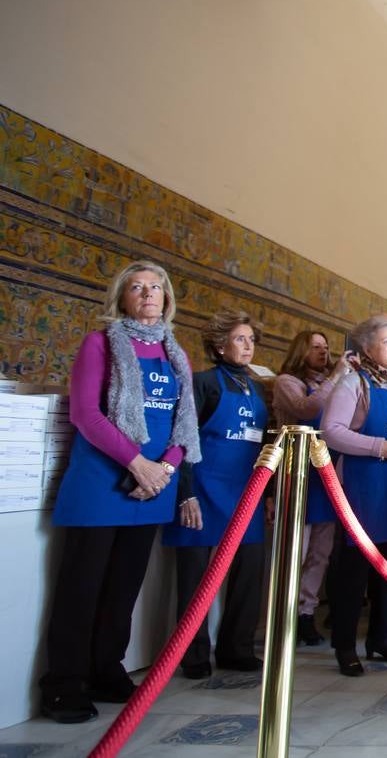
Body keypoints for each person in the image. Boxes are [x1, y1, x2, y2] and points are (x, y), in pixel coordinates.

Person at [40, 261, 200, 723]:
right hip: (102, 484)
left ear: (167, 299)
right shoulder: (100, 345)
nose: (148, 293)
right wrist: (138, 464)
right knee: (81, 589)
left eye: (156, 287)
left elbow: (182, 422)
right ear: (122, 298)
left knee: (123, 589)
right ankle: (63, 683)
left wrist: (164, 470)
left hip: (152, 489)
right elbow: (87, 415)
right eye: (137, 287)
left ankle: (106, 670)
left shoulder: (176, 355)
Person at [320, 314, 387, 677]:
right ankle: (345, 645)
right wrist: (381, 447)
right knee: (354, 570)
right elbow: (331, 431)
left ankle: (381, 638)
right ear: (366, 348)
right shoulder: (353, 383)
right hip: (364, 486)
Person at [164, 309, 269, 679]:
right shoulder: (202, 383)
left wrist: (266, 495)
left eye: (251, 340)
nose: (248, 346)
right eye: (240, 339)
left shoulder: (257, 389)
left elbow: (262, 447)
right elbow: (184, 440)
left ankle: (236, 647)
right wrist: (185, 493)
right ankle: (192, 655)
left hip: (246, 490)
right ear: (220, 346)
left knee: (249, 572)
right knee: (195, 578)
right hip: (204, 489)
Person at [272, 329, 353, 646]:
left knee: (321, 552)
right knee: (297, 549)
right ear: (300, 350)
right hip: (297, 472)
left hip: (327, 474)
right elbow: (306, 408)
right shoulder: (286, 382)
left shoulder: (331, 383)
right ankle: (284, 614)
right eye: (315, 347)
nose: (323, 352)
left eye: (326, 347)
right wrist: (336, 377)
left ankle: (306, 612)